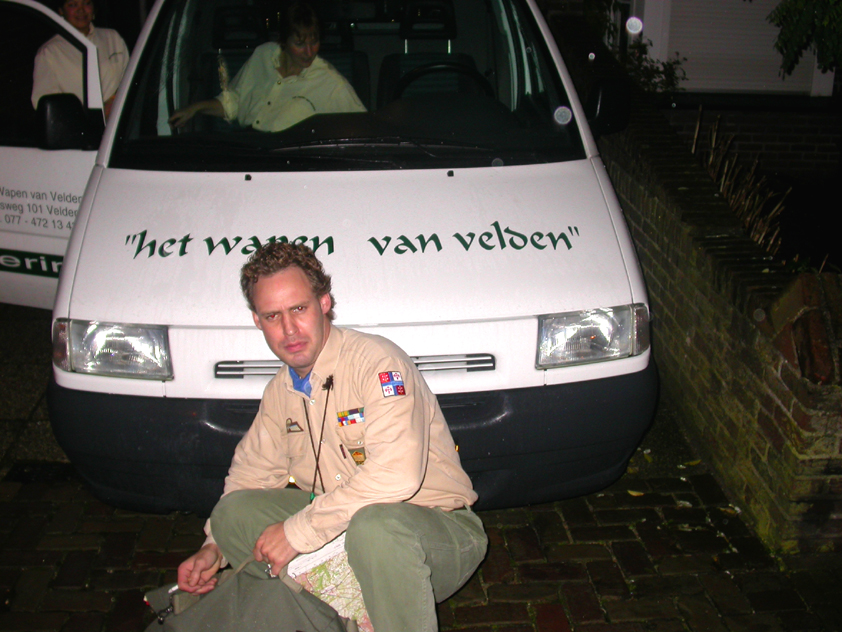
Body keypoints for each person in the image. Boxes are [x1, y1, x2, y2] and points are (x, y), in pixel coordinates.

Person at [177, 242, 487, 632]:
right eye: (273, 316)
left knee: (375, 528)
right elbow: (248, 477)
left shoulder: (377, 364)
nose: (289, 329)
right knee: (231, 515)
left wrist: (297, 532)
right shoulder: (280, 392)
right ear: (257, 321)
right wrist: (212, 549)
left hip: (432, 533)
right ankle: (332, 615)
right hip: (342, 532)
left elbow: (398, 475)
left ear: (324, 302)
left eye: (299, 309)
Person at [168, 1, 366, 133]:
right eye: (299, 44)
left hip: (291, 162)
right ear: (283, 41)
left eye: (314, 42)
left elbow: (363, 126)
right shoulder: (263, 55)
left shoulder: (330, 81)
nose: (309, 52)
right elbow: (234, 102)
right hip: (249, 150)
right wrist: (195, 108)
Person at [31, 0, 129, 119]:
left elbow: (130, 78)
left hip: (121, 120)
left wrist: (113, 101)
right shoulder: (49, 52)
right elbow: (45, 104)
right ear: (61, 11)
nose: (81, 10)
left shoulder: (112, 37)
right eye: (73, 5)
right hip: (82, 126)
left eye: (87, 3)